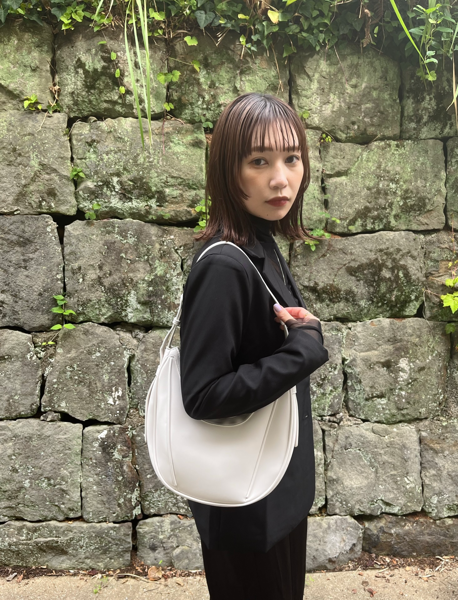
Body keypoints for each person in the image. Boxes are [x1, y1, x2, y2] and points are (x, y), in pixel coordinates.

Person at [179, 92, 330, 600]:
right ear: (229, 171)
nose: (281, 179)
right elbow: (203, 394)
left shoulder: (260, 243)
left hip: (273, 491)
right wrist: (303, 350)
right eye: (259, 162)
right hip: (245, 505)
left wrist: (299, 334)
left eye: (292, 158)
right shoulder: (225, 265)